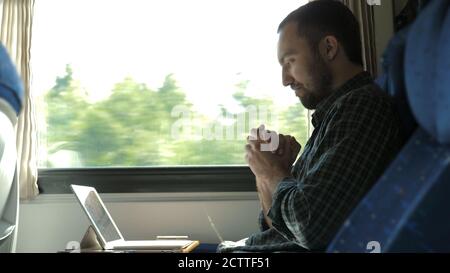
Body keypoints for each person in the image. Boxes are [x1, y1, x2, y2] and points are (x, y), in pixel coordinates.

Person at [217, 0, 403, 252]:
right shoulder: (332, 115)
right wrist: (267, 174)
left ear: (328, 48)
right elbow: (277, 230)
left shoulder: (361, 107)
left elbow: (311, 229)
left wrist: (274, 173)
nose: (285, 80)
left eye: (290, 61)